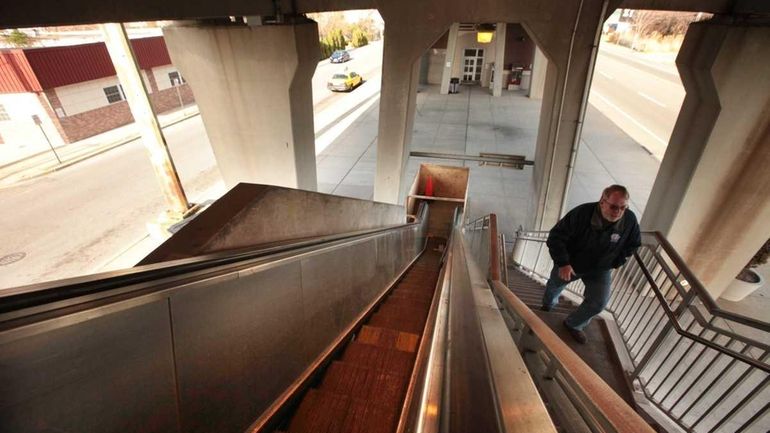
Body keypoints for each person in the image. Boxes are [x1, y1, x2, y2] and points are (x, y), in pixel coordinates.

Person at [542, 185, 641, 344]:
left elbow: (634, 243)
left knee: (599, 302)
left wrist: (616, 261)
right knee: (555, 285)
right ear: (602, 201)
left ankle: (574, 324)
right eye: (614, 206)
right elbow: (556, 237)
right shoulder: (581, 213)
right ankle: (548, 305)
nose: (618, 212)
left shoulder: (629, 219)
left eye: (623, 207)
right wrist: (563, 263)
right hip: (572, 264)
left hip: (601, 269)